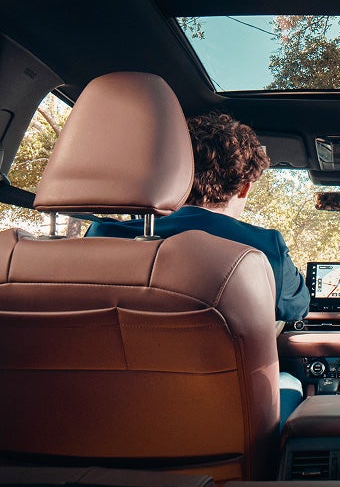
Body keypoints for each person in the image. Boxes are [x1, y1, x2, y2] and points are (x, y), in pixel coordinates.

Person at [87, 110, 308, 422]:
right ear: (244, 187)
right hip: (218, 425)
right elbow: (297, 306)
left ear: (170, 172)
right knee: (290, 381)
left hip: (106, 419)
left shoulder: (101, 235)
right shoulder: (262, 247)